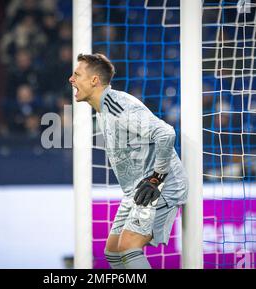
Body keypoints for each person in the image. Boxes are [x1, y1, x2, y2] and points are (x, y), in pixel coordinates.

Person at [69, 53, 188, 269]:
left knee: (127, 248)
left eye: (77, 74)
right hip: (136, 190)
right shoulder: (103, 109)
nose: (71, 79)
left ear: (94, 80)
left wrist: (156, 178)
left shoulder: (118, 105)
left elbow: (166, 133)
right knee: (113, 252)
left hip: (159, 186)